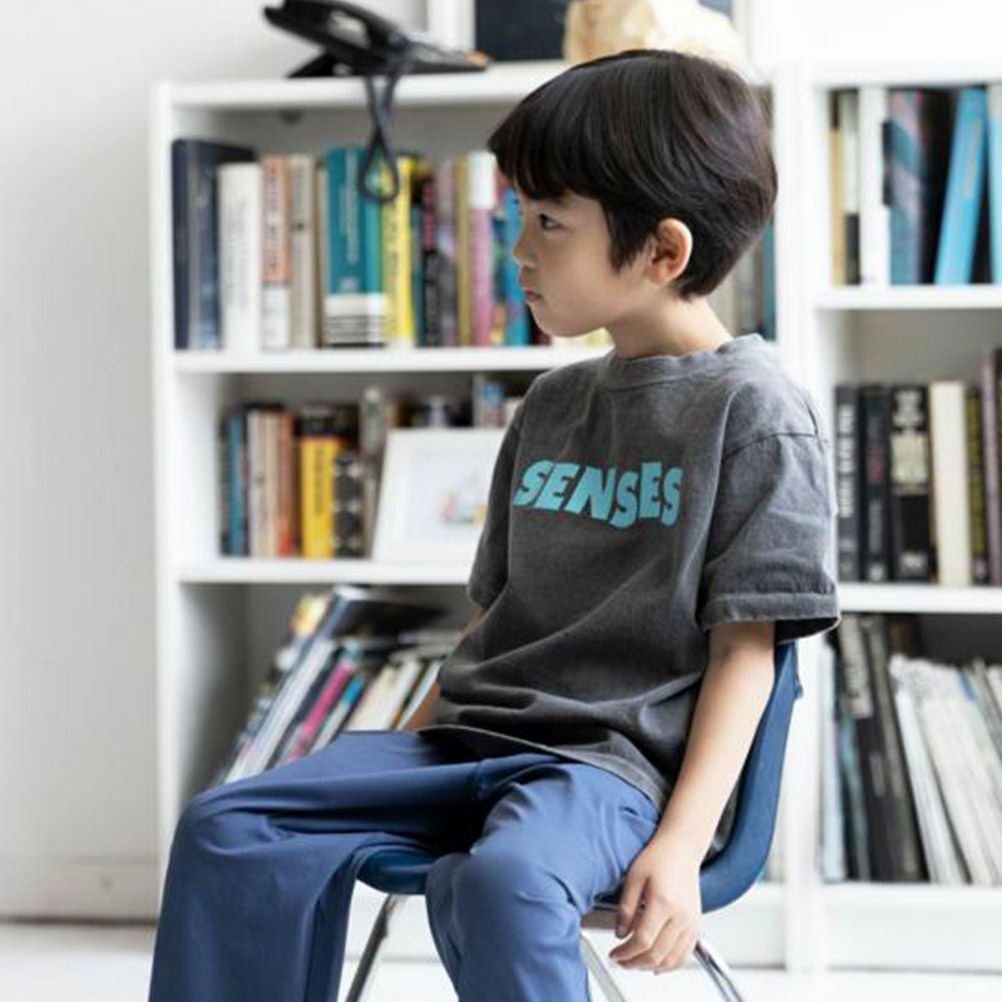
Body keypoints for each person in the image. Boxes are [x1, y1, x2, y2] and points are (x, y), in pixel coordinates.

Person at [147, 48, 840, 1002]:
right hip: (466, 745)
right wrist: (391, 760)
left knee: (504, 883)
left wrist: (683, 845)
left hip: (609, 775)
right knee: (226, 826)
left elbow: (748, 656)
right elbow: (495, 619)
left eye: (549, 222)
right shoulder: (551, 404)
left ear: (663, 253)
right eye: (521, 216)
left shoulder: (757, 415)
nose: (518, 249)